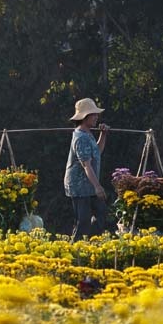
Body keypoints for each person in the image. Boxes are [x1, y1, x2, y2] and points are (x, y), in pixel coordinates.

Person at [64, 98, 110, 238]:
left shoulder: (87, 134)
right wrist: (97, 186)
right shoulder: (81, 137)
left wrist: (103, 134)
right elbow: (86, 164)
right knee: (83, 220)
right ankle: (76, 248)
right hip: (80, 186)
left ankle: (91, 242)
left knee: (101, 213)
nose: (96, 117)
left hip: (88, 184)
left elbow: (97, 152)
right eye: (93, 114)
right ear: (84, 117)